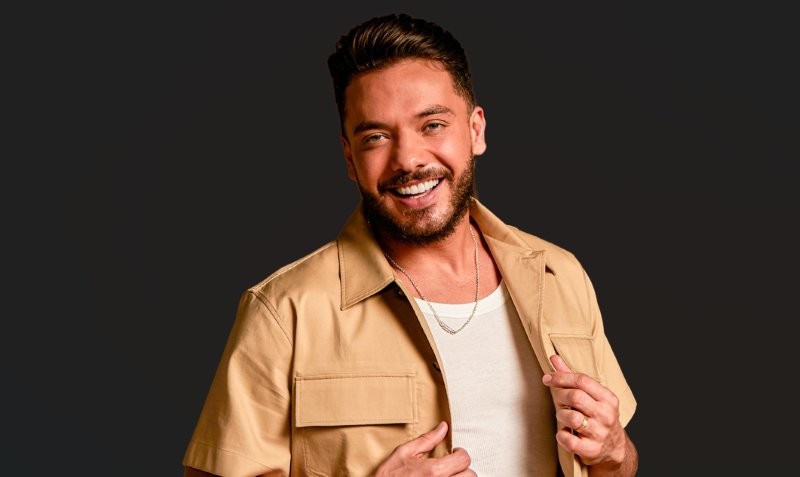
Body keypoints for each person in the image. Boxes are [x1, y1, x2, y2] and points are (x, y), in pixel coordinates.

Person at [183, 12, 637, 477]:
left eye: (432, 125)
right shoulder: (285, 312)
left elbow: (616, 463)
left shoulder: (560, 276)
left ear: (475, 130)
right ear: (350, 159)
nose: (408, 159)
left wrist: (615, 451)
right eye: (376, 137)